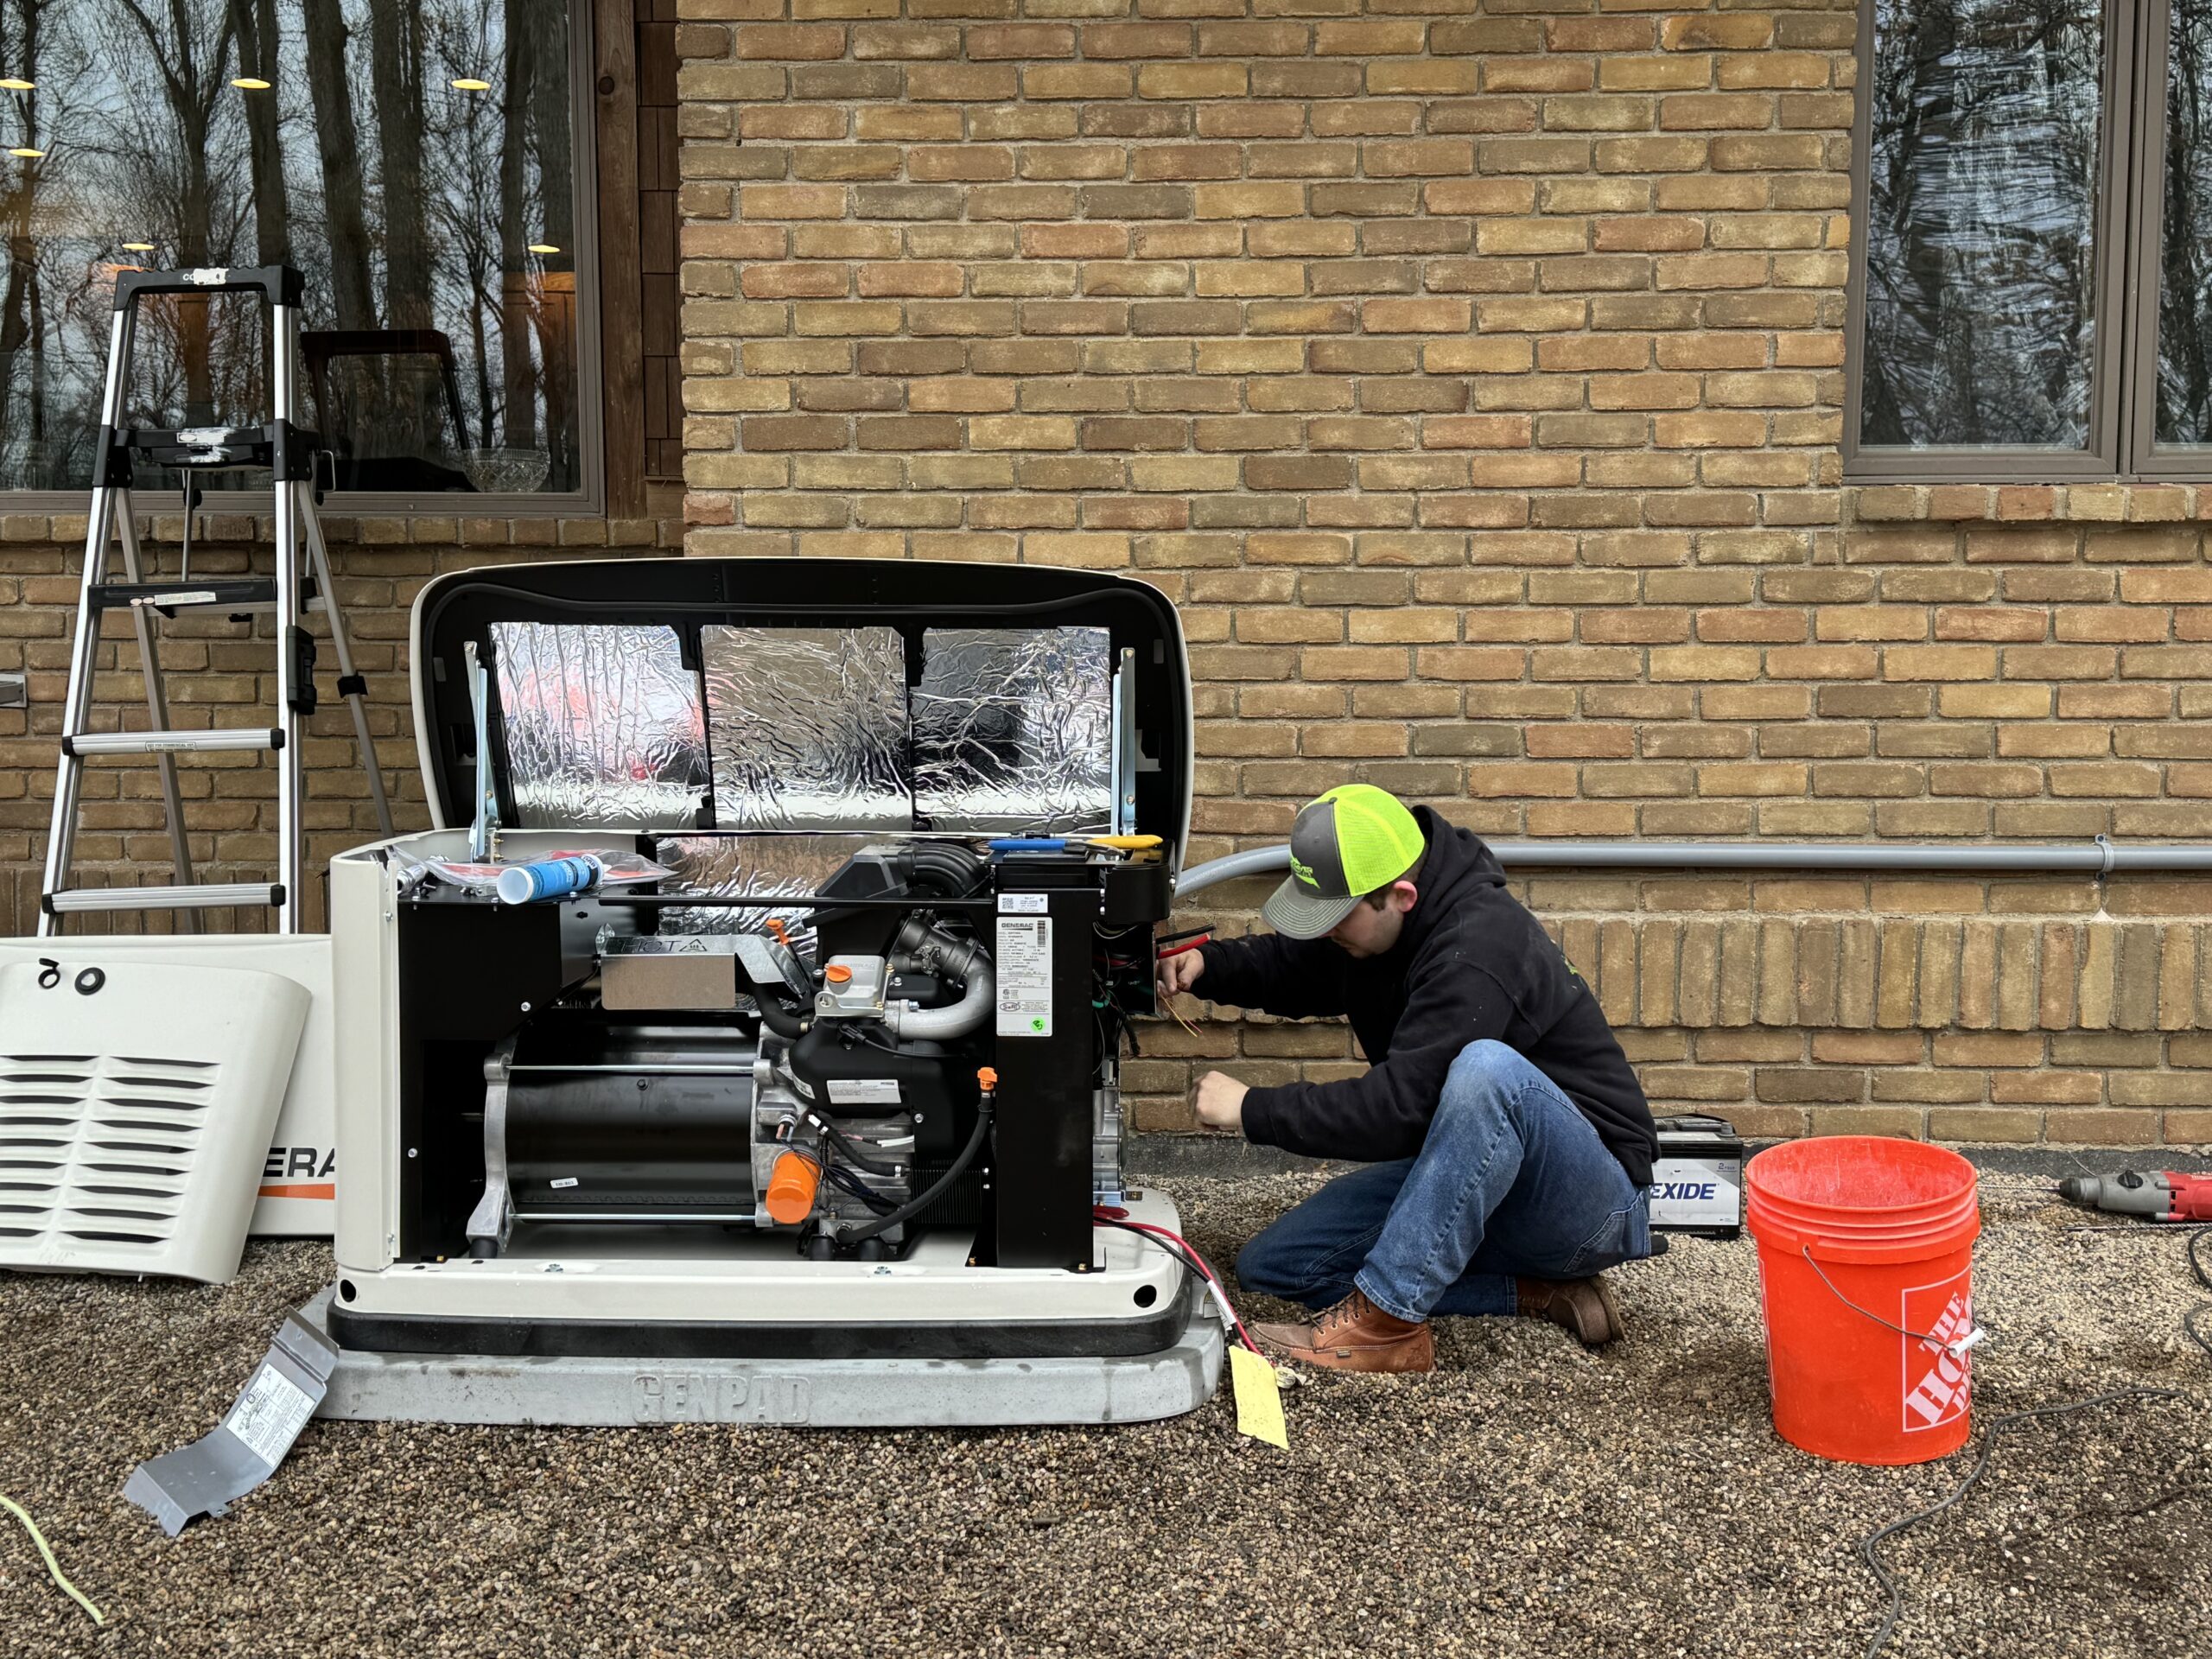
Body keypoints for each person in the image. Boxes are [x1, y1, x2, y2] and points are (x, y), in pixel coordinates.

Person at [1160, 785, 1659, 1373]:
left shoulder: (1477, 947)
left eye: (1335, 917)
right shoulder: (1381, 930)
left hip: (1586, 1203)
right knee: (1278, 1266)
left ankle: (1388, 1323)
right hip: (1485, 1180)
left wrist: (1252, 1109)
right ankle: (1537, 1291)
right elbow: (1299, 966)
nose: (1323, 931)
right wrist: (1208, 965)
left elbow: (1402, 1109)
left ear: (1401, 896)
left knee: (1486, 1069)